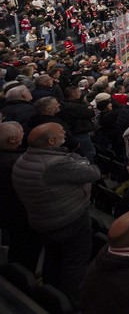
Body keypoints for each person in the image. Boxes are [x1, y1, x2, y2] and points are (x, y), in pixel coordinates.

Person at [13, 122, 101, 300]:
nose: (66, 134)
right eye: (62, 133)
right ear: (51, 140)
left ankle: (50, 293)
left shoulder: (23, 159)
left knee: (52, 257)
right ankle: (71, 300)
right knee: (75, 262)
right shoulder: (54, 165)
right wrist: (80, 160)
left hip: (44, 218)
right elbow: (93, 172)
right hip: (68, 219)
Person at [0, 121, 41, 272]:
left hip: (8, 212)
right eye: (21, 133)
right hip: (18, 214)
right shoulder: (21, 162)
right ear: (12, 140)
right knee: (24, 249)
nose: (25, 135)